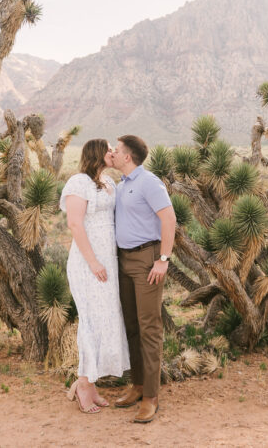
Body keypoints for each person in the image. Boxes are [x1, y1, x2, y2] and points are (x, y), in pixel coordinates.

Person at [60, 138, 131, 413]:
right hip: (87, 262)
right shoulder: (78, 182)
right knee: (90, 319)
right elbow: (75, 224)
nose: (114, 153)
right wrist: (93, 261)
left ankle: (91, 383)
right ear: (98, 154)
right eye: (110, 150)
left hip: (108, 263)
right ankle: (83, 384)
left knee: (105, 319)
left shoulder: (110, 183)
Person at [110, 134, 176, 424]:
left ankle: (151, 396)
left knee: (149, 327)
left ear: (128, 157)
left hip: (147, 260)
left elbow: (169, 219)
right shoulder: (121, 185)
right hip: (123, 260)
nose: (112, 153)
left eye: (117, 150)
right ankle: (137, 385)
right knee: (132, 326)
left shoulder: (149, 182)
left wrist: (163, 260)